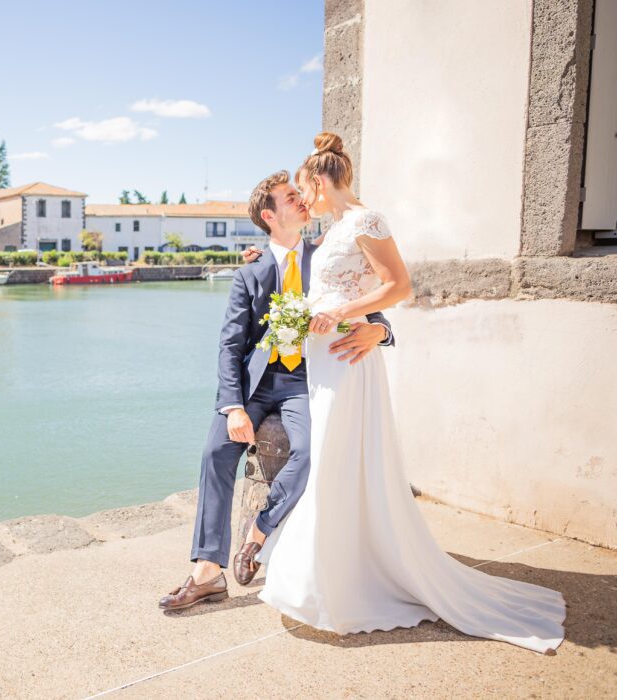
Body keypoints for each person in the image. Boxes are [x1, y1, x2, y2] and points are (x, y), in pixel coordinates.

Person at [253, 132, 566, 653]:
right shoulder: (333, 231)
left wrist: (345, 315)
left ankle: (353, 576)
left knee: (339, 458)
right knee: (334, 461)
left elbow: (399, 286)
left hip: (349, 360)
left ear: (321, 180)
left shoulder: (366, 220)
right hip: (326, 361)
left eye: (304, 187)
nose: (302, 199)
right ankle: (341, 565)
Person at [158, 170, 395, 611]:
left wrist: (380, 331)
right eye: (291, 198)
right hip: (256, 384)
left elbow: (365, 300)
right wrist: (233, 408)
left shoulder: (325, 259)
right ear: (270, 216)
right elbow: (230, 345)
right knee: (215, 454)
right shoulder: (249, 273)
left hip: (304, 382)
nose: (303, 200)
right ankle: (207, 573)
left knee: (307, 451)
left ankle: (259, 533)